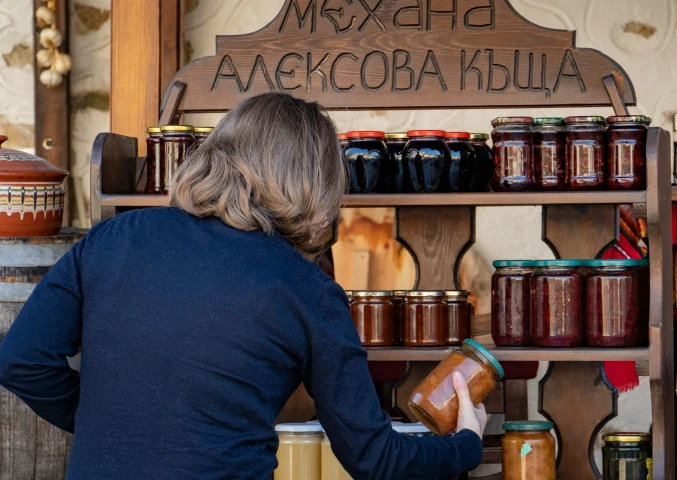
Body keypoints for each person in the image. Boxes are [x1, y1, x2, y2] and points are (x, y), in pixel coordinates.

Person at [0, 92, 486, 479]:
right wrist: (464, 445)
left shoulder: (111, 238)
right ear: (314, 187)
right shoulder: (307, 289)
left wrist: (108, 424)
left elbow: (20, 361)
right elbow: (375, 459)